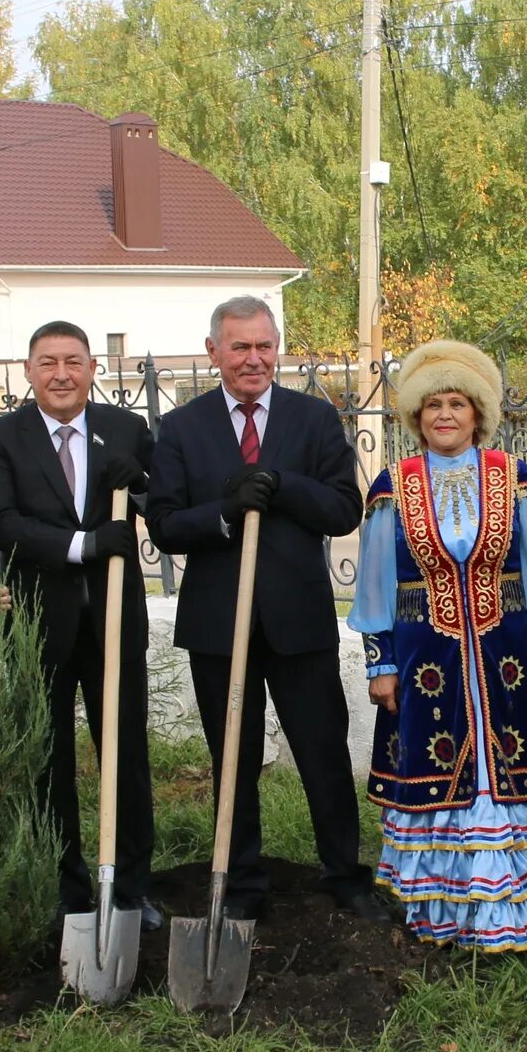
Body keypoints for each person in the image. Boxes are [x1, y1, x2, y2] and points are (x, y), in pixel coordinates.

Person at [148, 295, 382, 923]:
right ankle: (241, 879)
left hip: (298, 620)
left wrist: (282, 484)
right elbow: (165, 525)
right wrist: (225, 511)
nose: (254, 359)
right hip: (219, 625)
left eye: (264, 346)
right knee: (234, 757)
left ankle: (344, 874)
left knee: (323, 752)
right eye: (240, 347)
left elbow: (342, 509)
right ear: (214, 352)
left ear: (277, 347)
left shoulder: (311, 420)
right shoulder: (183, 428)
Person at [346, 341, 527, 948]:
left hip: (509, 657)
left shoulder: (514, 478)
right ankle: (442, 914)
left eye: (458, 404)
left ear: (479, 413)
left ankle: (524, 911)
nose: (445, 415)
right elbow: (375, 586)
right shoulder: (396, 485)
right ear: (416, 416)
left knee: (514, 761)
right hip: (427, 663)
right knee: (439, 764)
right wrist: (381, 662)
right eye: (433, 405)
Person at [0, 321, 157, 931]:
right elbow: (1, 524)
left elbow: (160, 505)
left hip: (114, 618)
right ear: (28, 371)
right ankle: (65, 887)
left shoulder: (126, 430)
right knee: (46, 756)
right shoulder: (0, 439)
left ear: (93, 369)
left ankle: (130, 887)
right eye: (47, 362)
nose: (61, 374)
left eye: (74, 361)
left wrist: (144, 484)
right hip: (37, 624)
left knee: (124, 753)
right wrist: (83, 544)